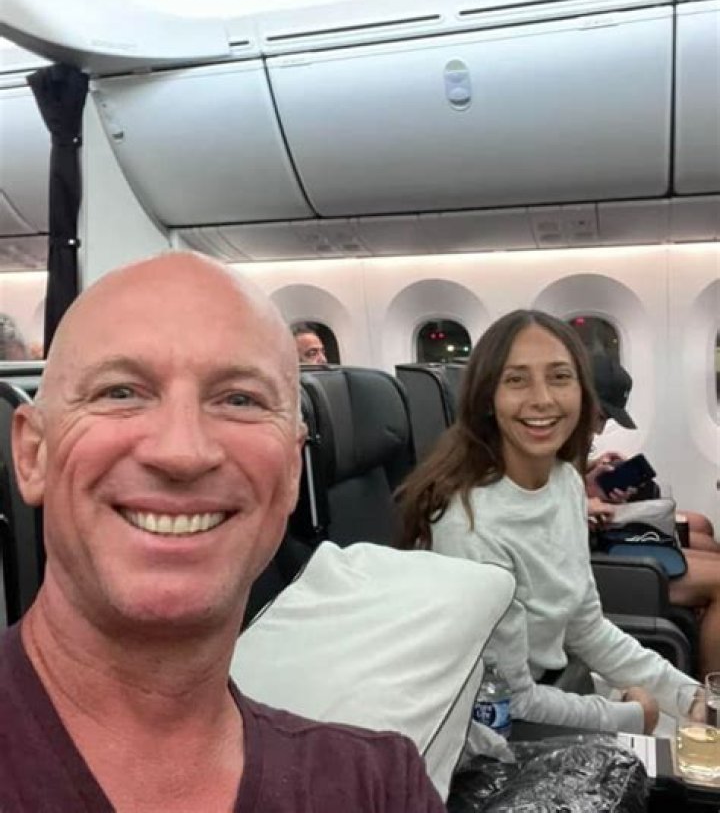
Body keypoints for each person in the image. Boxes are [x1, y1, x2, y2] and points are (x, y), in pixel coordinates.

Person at [0, 252, 444, 813]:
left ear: (291, 471)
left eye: (239, 400)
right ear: (33, 454)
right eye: (121, 392)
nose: (182, 452)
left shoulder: (377, 787)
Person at [397, 308, 699, 734]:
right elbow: (507, 699)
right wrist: (632, 716)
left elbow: (586, 628)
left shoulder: (565, 483)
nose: (542, 399)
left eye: (559, 377)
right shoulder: (469, 525)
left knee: (692, 732)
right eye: (516, 380)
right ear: (487, 397)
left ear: (582, 392)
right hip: (493, 727)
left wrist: (692, 698)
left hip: (555, 687)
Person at [586, 353, 719, 555]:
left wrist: (592, 466)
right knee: (709, 549)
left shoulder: (574, 440)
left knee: (702, 525)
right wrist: (586, 494)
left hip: (594, 514)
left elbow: (565, 474)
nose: (600, 430)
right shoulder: (552, 440)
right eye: (601, 417)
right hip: (589, 528)